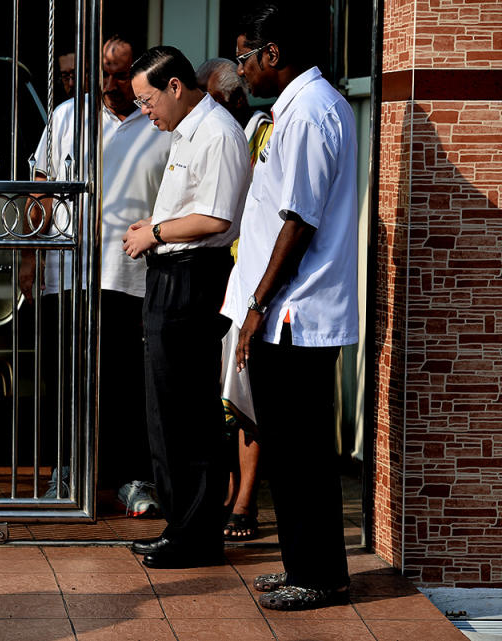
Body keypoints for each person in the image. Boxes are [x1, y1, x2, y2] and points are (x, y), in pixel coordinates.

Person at [221, 2, 359, 610]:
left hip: (296, 314)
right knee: (290, 450)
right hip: (286, 312)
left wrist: (257, 305)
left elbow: (297, 223)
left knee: (302, 455)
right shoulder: (297, 108)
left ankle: (321, 575)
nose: (242, 70)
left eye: (247, 56)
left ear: (274, 54)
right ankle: (304, 564)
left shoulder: (309, 114)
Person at [21, 35, 172, 516]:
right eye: (105, 72)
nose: (112, 83)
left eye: (122, 73)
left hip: (133, 273)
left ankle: (130, 478)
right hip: (67, 270)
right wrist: (31, 254)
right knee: (64, 377)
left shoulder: (160, 122)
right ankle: (64, 473)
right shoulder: (67, 116)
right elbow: (41, 187)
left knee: (128, 381)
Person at [122, 46, 250, 568]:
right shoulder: (185, 131)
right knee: (164, 408)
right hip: (171, 274)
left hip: (193, 278)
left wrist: (153, 232)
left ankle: (196, 533)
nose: (144, 111)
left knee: (187, 411)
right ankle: (181, 525)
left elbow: (216, 219)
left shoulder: (217, 133)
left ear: (176, 86)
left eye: (148, 99)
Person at [196, 57, 274, 542]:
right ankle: (225, 491)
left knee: (245, 394)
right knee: (218, 393)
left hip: (252, 278)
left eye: (212, 98)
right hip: (216, 276)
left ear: (234, 100)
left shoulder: (260, 134)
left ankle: (246, 500)